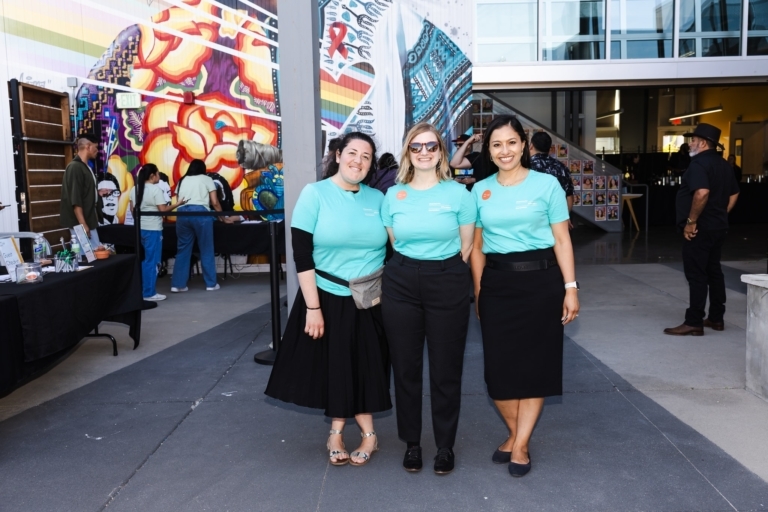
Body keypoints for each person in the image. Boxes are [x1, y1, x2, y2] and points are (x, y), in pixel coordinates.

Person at [265, 132, 391, 467]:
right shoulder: (315, 194)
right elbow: (302, 255)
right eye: (352, 153)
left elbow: (394, 249)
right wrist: (313, 308)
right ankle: (337, 432)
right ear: (337, 154)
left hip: (370, 301)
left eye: (366, 156)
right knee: (335, 367)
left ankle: (368, 435)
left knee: (366, 367)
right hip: (325, 297)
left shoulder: (379, 199)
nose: (358, 161)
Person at [470, 115, 579, 478]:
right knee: (498, 375)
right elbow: (478, 247)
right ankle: (517, 433)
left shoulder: (547, 185)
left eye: (512, 142)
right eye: (497, 144)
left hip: (542, 285)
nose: (505, 151)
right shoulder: (480, 190)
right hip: (498, 286)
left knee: (535, 369)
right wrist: (479, 290)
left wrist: (570, 287)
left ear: (524, 144)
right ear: (489, 149)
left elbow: (562, 239)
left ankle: (519, 444)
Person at [381, 122, 476, 475]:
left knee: (446, 368)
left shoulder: (458, 195)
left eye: (431, 146)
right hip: (401, 281)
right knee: (405, 368)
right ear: (408, 151)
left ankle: (445, 446)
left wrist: (442, 271)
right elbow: (394, 242)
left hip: (447, 279)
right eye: (416, 147)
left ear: (441, 152)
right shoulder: (394, 195)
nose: (424, 152)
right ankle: (412, 444)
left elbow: (467, 246)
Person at [664, 124, 739, 336]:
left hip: (700, 229)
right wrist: (721, 212)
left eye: (693, 140)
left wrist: (691, 221)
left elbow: (702, 192)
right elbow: (734, 193)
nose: (690, 144)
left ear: (703, 143)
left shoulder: (698, 164)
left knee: (697, 273)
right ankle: (716, 318)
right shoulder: (724, 165)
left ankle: (694, 321)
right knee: (714, 271)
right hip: (718, 226)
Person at [170, 159, 231, 293]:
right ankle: (210, 284)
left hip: (182, 215)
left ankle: (177, 284)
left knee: (183, 249)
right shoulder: (207, 179)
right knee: (206, 249)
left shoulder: (182, 180)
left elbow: (178, 201)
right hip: (200, 214)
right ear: (203, 169)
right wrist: (223, 218)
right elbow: (215, 202)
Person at [129, 164, 188, 301]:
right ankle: (149, 293)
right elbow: (163, 210)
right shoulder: (156, 190)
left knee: (145, 261)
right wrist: (178, 204)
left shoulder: (134, 189)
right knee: (153, 261)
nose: (159, 177)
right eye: (157, 174)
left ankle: (144, 291)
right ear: (152, 176)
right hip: (153, 230)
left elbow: (133, 211)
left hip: (140, 229)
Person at [60, 134, 109, 247]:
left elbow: (82, 191)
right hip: (80, 222)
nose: (97, 150)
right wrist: (83, 224)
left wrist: (97, 193)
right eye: (96, 147)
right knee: (88, 256)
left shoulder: (85, 167)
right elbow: (75, 199)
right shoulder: (75, 167)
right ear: (88, 146)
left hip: (88, 219)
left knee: (94, 253)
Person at [528, 132, 574, 228]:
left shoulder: (524, 166)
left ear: (531, 145)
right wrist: (565, 217)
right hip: (556, 221)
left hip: (531, 221)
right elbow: (569, 196)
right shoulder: (561, 167)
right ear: (549, 149)